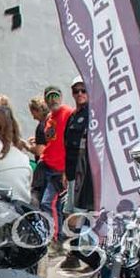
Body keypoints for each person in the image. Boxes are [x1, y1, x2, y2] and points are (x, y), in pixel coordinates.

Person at [37, 87, 72, 214]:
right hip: (46, 167)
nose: (53, 100)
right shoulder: (49, 118)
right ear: (45, 100)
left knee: (48, 203)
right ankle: (52, 231)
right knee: (45, 204)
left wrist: (67, 171)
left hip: (60, 170)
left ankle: (55, 233)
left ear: (61, 97)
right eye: (50, 97)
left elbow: (71, 143)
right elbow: (51, 142)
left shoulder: (68, 113)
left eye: (55, 96)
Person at [62, 81, 92, 211]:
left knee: (77, 215)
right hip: (71, 172)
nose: (80, 94)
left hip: (84, 174)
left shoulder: (92, 115)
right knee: (68, 212)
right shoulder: (72, 116)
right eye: (76, 91)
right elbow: (67, 145)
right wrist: (65, 172)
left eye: (83, 90)